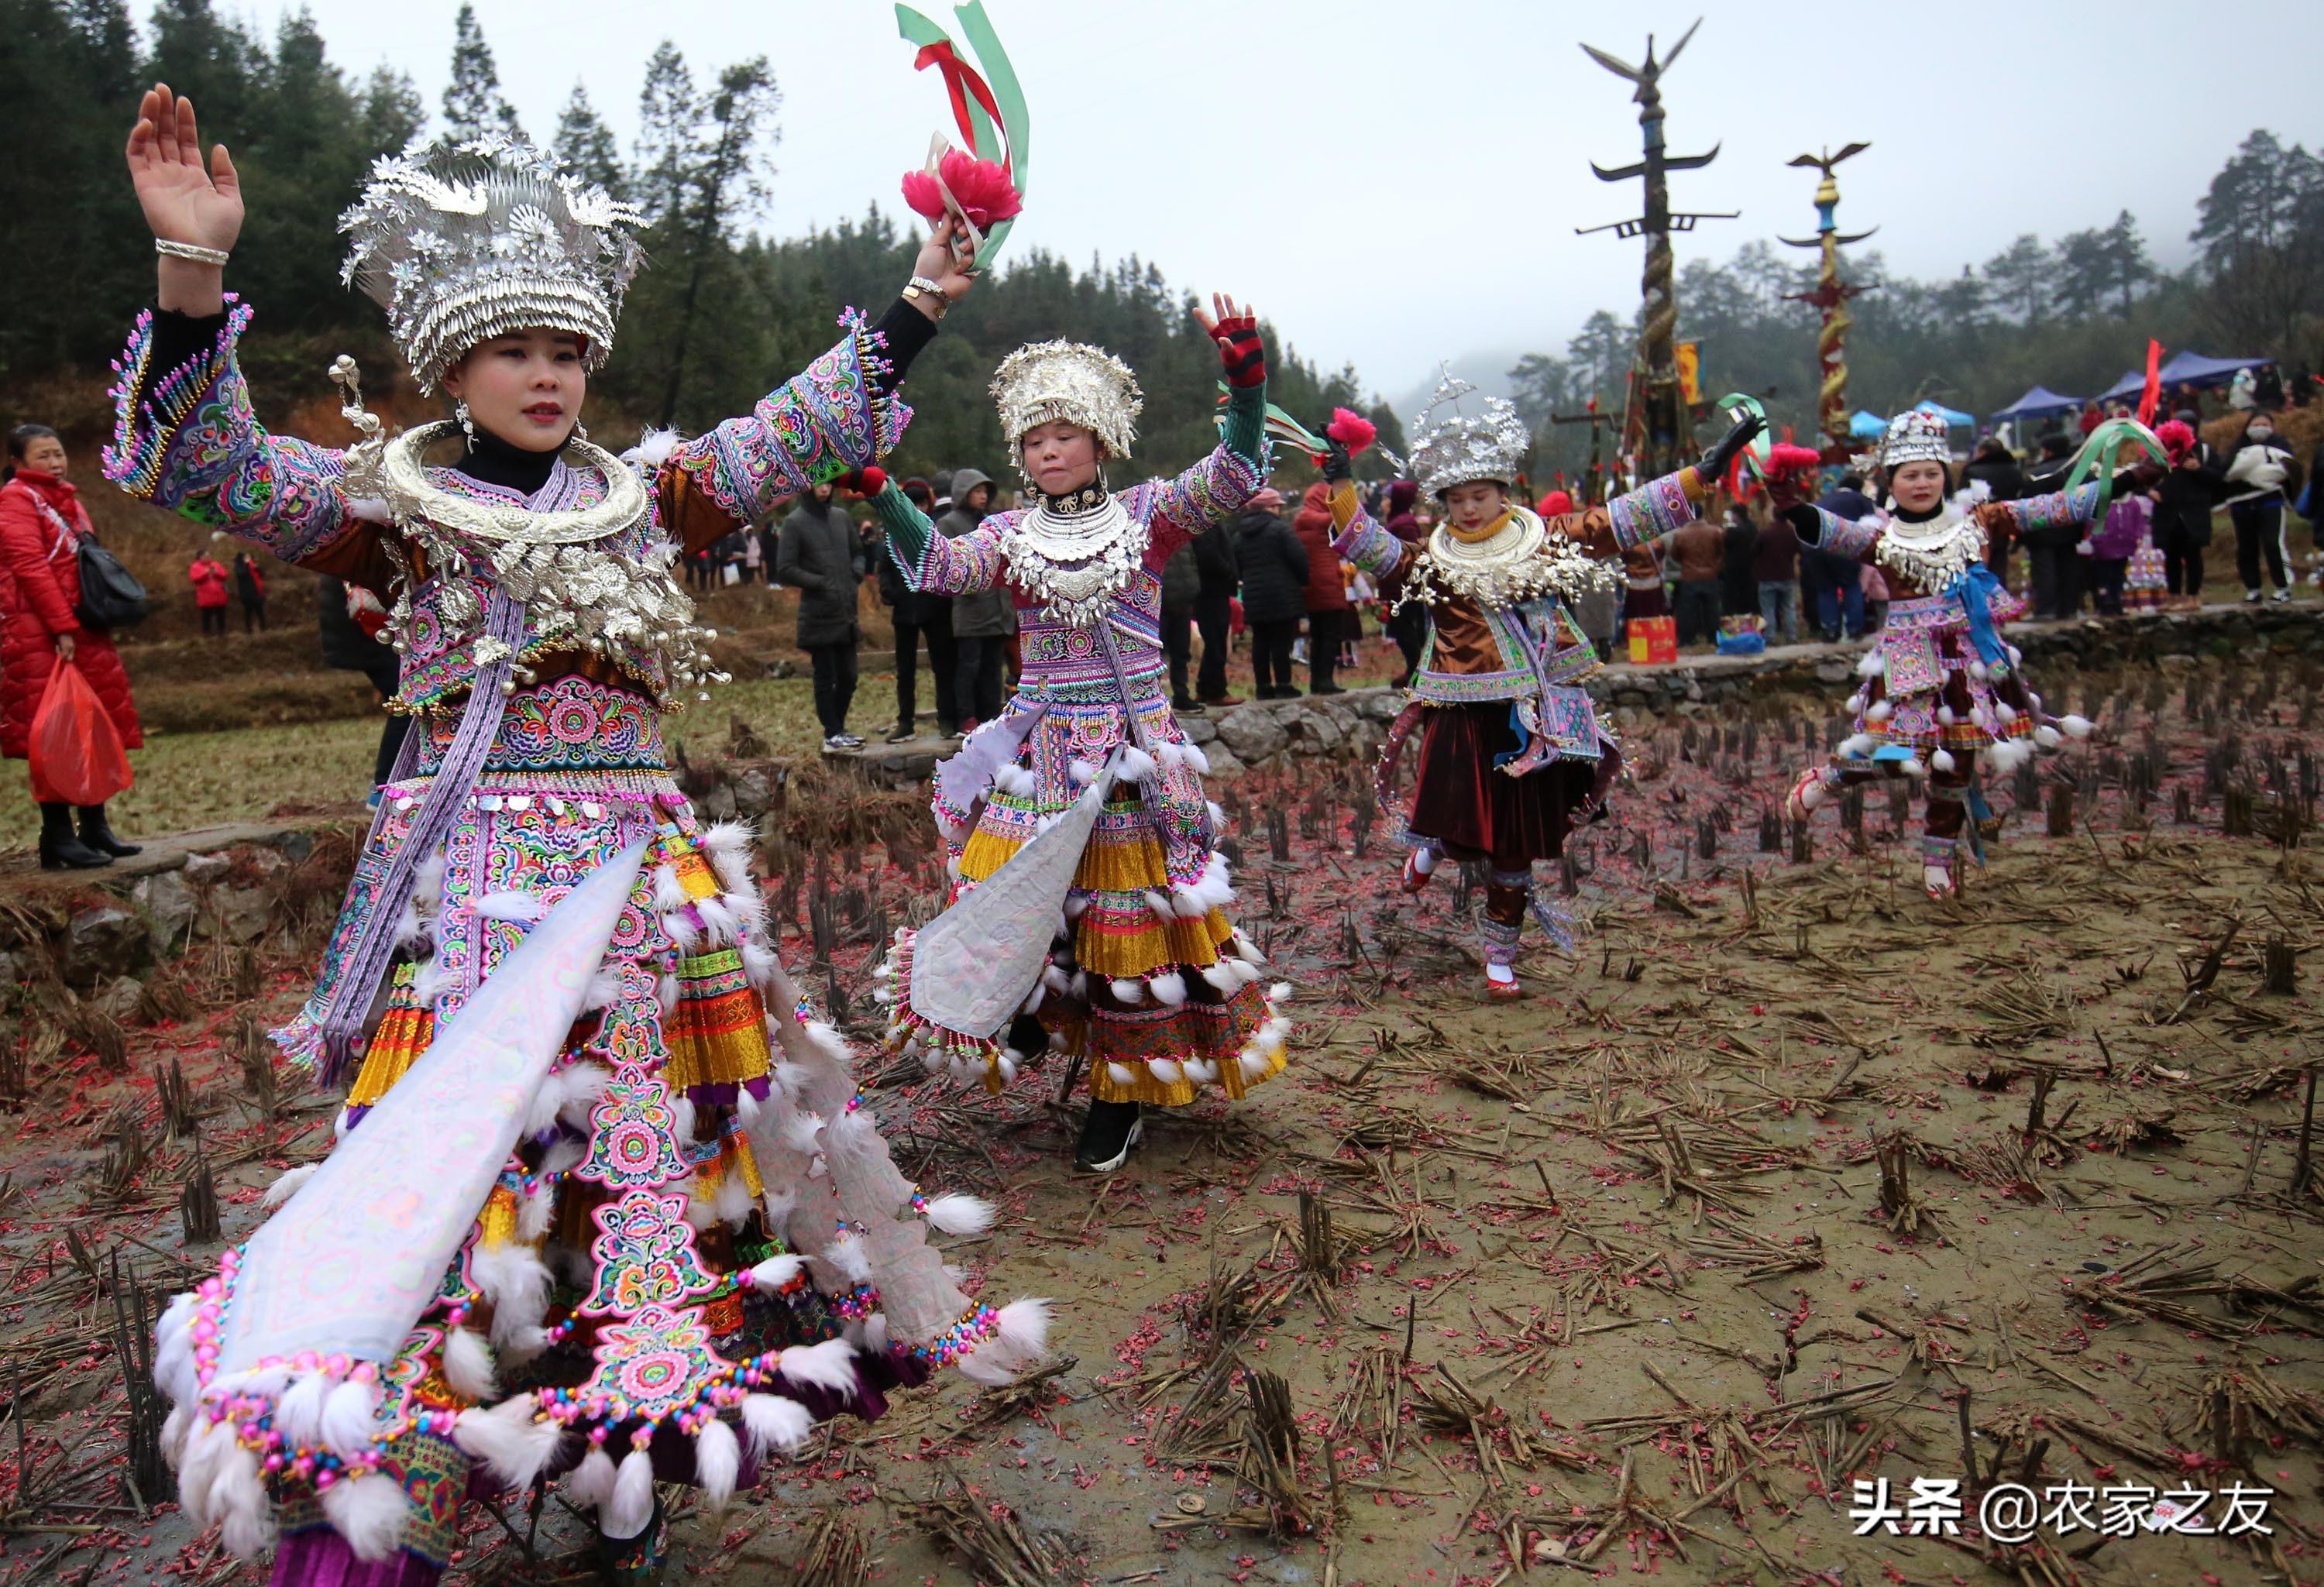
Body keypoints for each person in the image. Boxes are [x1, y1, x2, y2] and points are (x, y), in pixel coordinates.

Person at [106, 90, 1040, 1585]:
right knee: (465, 1172)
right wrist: (191, 274)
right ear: (452, 364)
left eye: (567, 351)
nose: (546, 376)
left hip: (640, 897)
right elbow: (199, 464)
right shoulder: (391, 512)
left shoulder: (645, 499)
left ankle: (632, 1454)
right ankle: (425, 1443)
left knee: (655, 1168)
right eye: (514, 351)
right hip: (475, 904)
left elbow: (787, 431)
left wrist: (926, 293)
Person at [868, 300, 1287, 1174]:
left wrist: (1246, 385)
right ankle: (1022, 1028)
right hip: (1045, 762)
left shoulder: (1149, 516)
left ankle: (1120, 1093)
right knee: (1024, 911)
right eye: (1032, 440)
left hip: (1134, 763)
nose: (1047, 451)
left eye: (1064, 434)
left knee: (1124, 933)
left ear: (1100, 440)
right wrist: (883, 496)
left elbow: (1235, 473)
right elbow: (941, 570)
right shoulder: (1008, 536)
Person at [1327, 380, 1762, 996]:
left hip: (1529, 718)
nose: (1469, 510)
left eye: (1480, 496)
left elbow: (1621, 519)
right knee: (1459, 825)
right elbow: (1371, 548)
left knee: (1515, 840)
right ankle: (1434, 851)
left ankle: (1499, 956)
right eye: (1456, 500)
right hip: (1458, 710)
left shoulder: (1544, 539)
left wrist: (1705, 471)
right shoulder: (1432, 557)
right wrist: (1342, 485)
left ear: (1505, 493)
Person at [1772, 411, 2134, 898]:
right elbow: (1832, 531)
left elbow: (2051, 508)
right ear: (1889, 482)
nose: (1922, 483)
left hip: (1970, 658)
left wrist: (2127, 478)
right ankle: (1834, 776)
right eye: (1910, 475)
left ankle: (1937, 859)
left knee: (1958, 760)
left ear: (1947, 475)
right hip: (1909, 660)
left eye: (1931, 473)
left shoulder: (1977, 519)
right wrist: (1793, 507)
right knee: (1905, 756)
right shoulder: (1880, 537)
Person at [1, 423, 143, 868]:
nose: (55, 462)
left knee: (95, 725)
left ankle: (95, 827)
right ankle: (57, 835)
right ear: (18, 464)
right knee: (55, 733)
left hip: (84, 629)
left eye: (58, 453)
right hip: (38, 632)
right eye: (42, 456)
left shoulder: (72, 503)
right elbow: (28, 567)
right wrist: (61, 626)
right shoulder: (14, 501)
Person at [776, 480, 868, 750]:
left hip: (846, 611)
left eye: (828, 483)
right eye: (818, 484)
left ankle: (838, 729)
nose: (824, 488)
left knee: (849, 676)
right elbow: (785, 568)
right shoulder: (795, 522)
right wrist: (820, 583)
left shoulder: (841, 517)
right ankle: (833, 732)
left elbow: (858, 552)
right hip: (818, 613)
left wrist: (856, 574)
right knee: (825, 676)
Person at [315, 573, 410, 802]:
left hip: (366, 635)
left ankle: (389, 785)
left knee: (407, 703)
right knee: (407, 702)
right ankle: (384, 788)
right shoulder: (360, 546)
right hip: (372, 637)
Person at [879, 476, 955, 742]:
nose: (919, 508)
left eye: (922, 503)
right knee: (905, 670)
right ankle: (905, 722)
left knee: (943, 666)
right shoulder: (893, 533)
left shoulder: (935, 531)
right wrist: (891, 594)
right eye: (913, 503)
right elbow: (885, 569)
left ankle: (947, 718)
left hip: (936, 607)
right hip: (904, 609)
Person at [939, 467, 1009, 728]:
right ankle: (965, 716)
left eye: (985, 492)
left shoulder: (991, 523)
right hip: (970, 611)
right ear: (963, 493)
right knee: (969, 667)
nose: (982, 496)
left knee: (993, 669)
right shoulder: (949, 523)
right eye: (976, 491)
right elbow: (947, 566)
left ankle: (991, 717)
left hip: (997, 610)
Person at [1232, 484, 1308, 699]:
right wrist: (1302, 581)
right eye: (1277, 506)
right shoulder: (1281, 530)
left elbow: (1236, 565)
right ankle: (1284, 684)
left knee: (1260, 641)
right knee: (1282, 642)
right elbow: (1299, 558)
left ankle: (1263, 687)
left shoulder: (1240, 535)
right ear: (1271, 508)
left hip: (1254, 595)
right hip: (1282, 594)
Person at [2223, 414, 2300, 603]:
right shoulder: (2237, 449)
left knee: (2273, 544)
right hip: (2241, 504)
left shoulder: (2281, 446)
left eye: (2265, 424)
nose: (2260, 427)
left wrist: (2257, 474)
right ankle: (2253, 588)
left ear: (2272, 427)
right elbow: (2228, 472)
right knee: (2246, 548)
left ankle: (2283, 586)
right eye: (2256, 424)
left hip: (2270, 501)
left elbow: (2287, 471)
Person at [2151, 416, 2223, 601]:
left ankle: (2193, 595)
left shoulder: (2204, 451)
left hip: (2194, 511)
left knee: (2193, 554)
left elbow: (2219, 478)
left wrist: (2199, 469)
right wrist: (2150, 491)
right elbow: (2142, 475)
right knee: (2171, 555)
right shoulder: (2161, 451)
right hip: (2168, 510)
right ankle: (2174, 596)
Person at [2019, 433, 2084, 619]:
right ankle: (2069, 608)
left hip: (2042, 530)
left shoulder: (2037, 474)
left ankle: (2046, 609)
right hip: (2072, 528)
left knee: (2045, 571)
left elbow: (2025, 502)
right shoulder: (2080, 469)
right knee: (2069, 568)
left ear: (2047, 451)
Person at [1294, 480, 1350, 692]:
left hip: (1310, 585)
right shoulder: (1323, 519)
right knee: (1331, 635)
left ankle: (1317, 680)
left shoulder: (1301, 519)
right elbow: (1349, 517)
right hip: (1328, 583)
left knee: (1317, 635)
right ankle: (1325, 680)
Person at [1807, 473, 1874, 640]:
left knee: (1825, 589)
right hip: (1842, 544)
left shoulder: (1824, 499)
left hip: (1814, 548)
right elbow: (1872, 526)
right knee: (1851, 585)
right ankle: (1855, 628)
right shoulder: (1859, 499)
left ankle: (1830, 629)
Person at [1192, 483, 1241, 705]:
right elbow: (1208, 555)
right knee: (1215, 639)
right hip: (1211, 589)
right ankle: (1216, 690)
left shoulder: (1210, 520)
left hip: (1214, 588)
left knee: (1216, 638)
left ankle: (1205, 686)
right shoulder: (1204, 522)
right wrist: (1229, 572)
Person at [2082, 488, 2147, 616]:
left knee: (2119, 576)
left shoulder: (2132, 503)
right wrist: (2097, 539)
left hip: (2125, 546)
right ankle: (2105, 603)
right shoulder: (2100, 503)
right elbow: (2091, 523)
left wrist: (2137, 537)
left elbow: (2139, 522)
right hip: (2104, 547)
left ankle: (2117, 601)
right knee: (2104, 576)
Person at [1157, 538, 1202, 711]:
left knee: (1181, 654)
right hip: (1158, 606)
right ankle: (1156, 699)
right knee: (1156, 656)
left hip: (1183, 603)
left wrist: (1193, 589)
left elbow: (1192, 563)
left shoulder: (1183, 537)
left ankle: (1182, 695)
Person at [1669, 510, 1723, 648]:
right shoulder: (1715, 532)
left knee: (1688, 611)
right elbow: (1722, 552)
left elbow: (1674, 555)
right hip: (1710, 575)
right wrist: (1716, 567)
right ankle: (1714, 638)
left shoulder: (1681, 534)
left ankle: (1688, 639)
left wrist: (1686, 563)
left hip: (1689, 576)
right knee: (1712, 610)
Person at [1752, 495, 1800, 642]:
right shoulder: (1793, 533)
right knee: (1789, 608)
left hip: (1767, 576)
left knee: (1768, 609)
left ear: (1773, 516)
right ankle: (1792, 636)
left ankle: (1770, 636)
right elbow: (1799, 551)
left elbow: (1753, 551)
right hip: (1787, 575)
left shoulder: (1765, 533)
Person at [188, 540, 229, 634]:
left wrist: (216, 573)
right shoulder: (195, 567)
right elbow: (195, 579)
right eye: (206, 556)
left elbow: (224, 575)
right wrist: (205, 573)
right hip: (206, 598)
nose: (208, 557)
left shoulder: (216, 564)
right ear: (200, 557)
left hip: (219, 596)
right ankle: (207, 635)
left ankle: (222, 633)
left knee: (221, 617)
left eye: (209, 555)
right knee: (206, 618)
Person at [232, 547, 266, 630]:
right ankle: (249, 630)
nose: (248, 559)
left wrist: (257, 568)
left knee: (260, 612)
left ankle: (263, 629)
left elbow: (262, 575)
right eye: (246, 557)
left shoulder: (253, 565)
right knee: (248, 613)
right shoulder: (238, 566)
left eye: (249, 557)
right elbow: (241, 574)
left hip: (258, 592)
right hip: (247, 594)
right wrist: (247, 564)